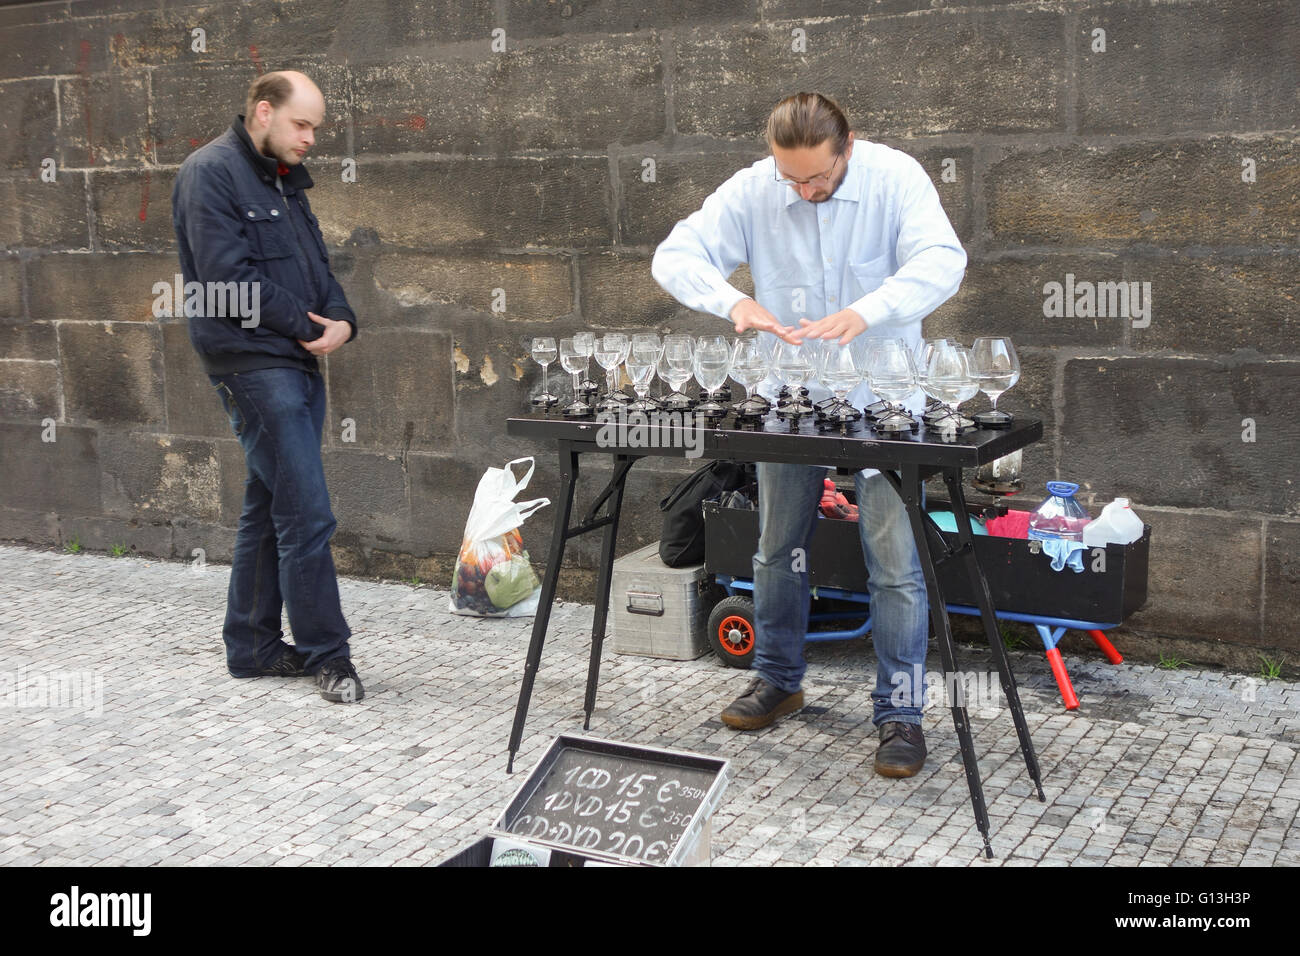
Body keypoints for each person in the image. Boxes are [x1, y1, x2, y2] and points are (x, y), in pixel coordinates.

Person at [651, 92, 966, 776]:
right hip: (788, 397)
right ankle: (778, 679)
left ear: (846, 148)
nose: (805, 190)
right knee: (774, 550)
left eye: (817, 177)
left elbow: (942, 260)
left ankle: (901, 714)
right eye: (792, 179)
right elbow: (676, 255)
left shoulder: (896, 177)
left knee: (896, 566)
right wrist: (731, 299)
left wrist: (870, 309)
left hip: (884, 399)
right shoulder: (753, 189)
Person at [172, 71, 364, 703]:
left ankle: (251, 646)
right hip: (252, 364)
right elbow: (227, 279)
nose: (310, 138)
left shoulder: (283, 178)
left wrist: (343, 320)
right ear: (264, 111)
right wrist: (309, 325)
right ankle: (327, 656)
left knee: (269, 506)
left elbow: (318, 265)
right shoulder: (211, 172)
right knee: (307, 511)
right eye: (301, 124)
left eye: (315, 127)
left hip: (297, 360)